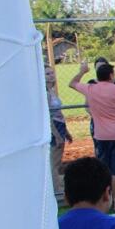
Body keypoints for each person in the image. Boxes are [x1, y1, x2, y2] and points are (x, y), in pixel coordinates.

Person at [69, 60, 115, 212]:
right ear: (111, 75)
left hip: (101, 136)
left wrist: (82, 71)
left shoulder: (91, 88)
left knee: (104, 169)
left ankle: (104, 201)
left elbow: (72, 83)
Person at [46, 61, 72, 195]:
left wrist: (66, 131)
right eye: (47, 74)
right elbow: (48, 116)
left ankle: (55, 186)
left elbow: (59, 113)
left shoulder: (51, 91)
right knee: (54, 162)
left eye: (52, 73)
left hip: (60, 125)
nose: (51, 75)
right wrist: (55, 134)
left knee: (57, 161)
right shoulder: (45, 94)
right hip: (54, 127)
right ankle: (55, 190)